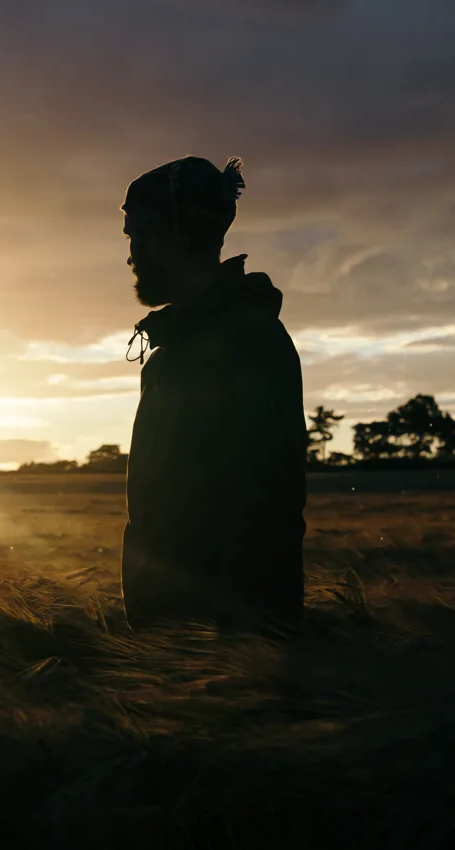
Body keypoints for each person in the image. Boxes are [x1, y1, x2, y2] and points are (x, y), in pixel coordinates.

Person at [119, 155, 307, 633]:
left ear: (176, 235)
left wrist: (243, 643)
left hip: (225, 644)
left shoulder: (247, 344)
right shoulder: (169, 357)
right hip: (172, 640)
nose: (130, 255)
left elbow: (266, 510)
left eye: (138, 235)